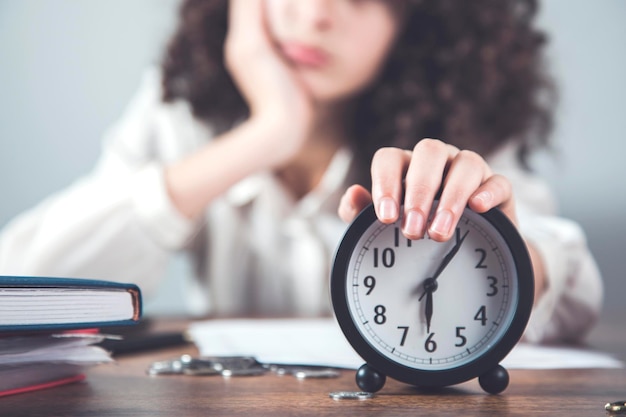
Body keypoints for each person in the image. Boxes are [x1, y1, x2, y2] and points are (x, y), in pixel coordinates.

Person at [0, 0, 602, 344]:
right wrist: (266, 134)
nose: (314, 14)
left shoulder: (462, 126)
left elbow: (574, 294)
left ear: (419, 22)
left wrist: (513, 254)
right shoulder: (180, 113)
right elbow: (23, 284)